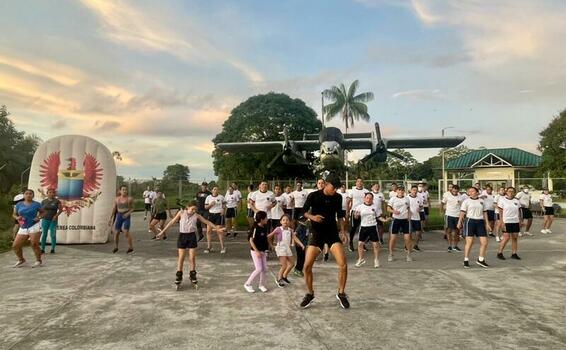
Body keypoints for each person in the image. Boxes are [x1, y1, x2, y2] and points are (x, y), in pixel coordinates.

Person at [300, 173, 349, 309]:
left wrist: (343, 232)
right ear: (326, 184)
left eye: (337, 188)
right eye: (334, 187)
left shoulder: (338, 198)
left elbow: (340, 216)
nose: (335, 191)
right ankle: (310, 294)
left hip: (332, 233)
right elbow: (303, 211)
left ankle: (341, 293)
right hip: (317, 234)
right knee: (307, 266)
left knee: (343, 264)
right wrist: (313, 217)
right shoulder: (314, 196)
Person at [157, 200, 223, 287]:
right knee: (181, 257)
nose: (194, 211)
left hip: (191, 236)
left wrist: (217, 228)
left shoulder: (196, 215)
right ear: (188, 207)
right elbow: (171, 222)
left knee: (192, 258)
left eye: (195, 209)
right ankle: (179, 276)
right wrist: (162, 232)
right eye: (192, 209)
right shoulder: (181, 213)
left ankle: (192, 275)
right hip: (182, 236)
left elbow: (207, 222)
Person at [458, 187, 491, 268]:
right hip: (470, 221)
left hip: (480, 222)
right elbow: (462, 212)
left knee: (484, 242)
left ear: (477, 192)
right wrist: (459, 222)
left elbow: (485, 213)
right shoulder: (466, 201)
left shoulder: (482, 201)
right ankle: (466, 260)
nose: (470, 192)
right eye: (469, 191)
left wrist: (487, 223)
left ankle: (481, 260)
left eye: (472, 191)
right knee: (470, 242)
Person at [354, 193, 389, 268]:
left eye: (370, 198)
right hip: (363, 227)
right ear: (364, 198)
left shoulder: (375, 207)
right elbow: (356, 217)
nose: (368, 199)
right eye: (367, 198)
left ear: (372, 199)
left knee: (375, 245)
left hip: (373, 227)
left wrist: (385, 220)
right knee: (360, 244)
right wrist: (356, 215)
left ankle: (376, 260)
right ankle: (360, 259)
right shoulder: (360, 207)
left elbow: (378, 217)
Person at [271, 215, 305, 287]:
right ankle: (279, 279)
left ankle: (284, 276)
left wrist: (301, 245)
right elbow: (269, 236)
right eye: (283, 220)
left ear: (289, 222)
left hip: (287, 248)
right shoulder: (278, 229)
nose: (285, 221)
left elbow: (295, 238)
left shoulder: (290, 230)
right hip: (280, 248)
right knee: (284, 265)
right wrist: (271, 245)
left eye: (287, 220)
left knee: (292, 264)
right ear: (281, 221)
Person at [12, 189, 43, 267]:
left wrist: (39, 217)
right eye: (27, 193)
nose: (28, 195)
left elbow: (43, 212)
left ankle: (38, 261)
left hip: (34, 225)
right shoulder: (19, 204)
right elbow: (14, 214)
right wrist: (17, 217)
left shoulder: (37, 204)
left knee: (34, 244)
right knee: (15, 246)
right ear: (24, 195)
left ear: (33, 195)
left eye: (30, 194)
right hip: (23, 226)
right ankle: (21, 260)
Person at [244, 211, 270, 293]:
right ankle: (247, 284)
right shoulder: (255, 228)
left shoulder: (265, 226)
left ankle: (261, 285)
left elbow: (266, 238)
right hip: (255, 251)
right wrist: (257, 251)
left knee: (265, 269)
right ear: (261, 219)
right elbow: (251, 240)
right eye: (266, 218)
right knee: (259, 269)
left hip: (263, 250)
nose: (267, 219)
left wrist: (270, 246)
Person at [387, 186, 413, 262]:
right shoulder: (393, 199)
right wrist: (393, 211)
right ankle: (391, 254)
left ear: (404, 191)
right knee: (393, 238)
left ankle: (408, 255)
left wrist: (409, 216)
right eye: (399, 190)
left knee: (407, 238)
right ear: (397, 191)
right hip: (396, 220)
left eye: (402, 190)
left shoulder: (407, 199)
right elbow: (388, 208)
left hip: (405, 221)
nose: (401, 192)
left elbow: (408, 208)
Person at [497, 187, 522, 260]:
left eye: (512, 191)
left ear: (514, 193)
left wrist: (520, 221)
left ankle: (514, 253)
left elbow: (519, 212)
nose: (510, 192)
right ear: (506, 192)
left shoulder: (517, 201)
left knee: (515, 238)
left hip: (515, 221)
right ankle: (500, 252)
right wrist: (501, 221)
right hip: (506, 221)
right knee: (506, 238)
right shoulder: (502, 200)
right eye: (509, 191)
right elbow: (500, 212)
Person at [109, 185, 135, 254]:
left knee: (126, 232)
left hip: (126, 216)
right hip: (119, 216)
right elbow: (114, 209)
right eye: (123, 189)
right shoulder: (117, 199)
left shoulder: (129, 199)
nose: (124, 191)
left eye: (126, 190)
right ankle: (116, 247)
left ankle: (131, 247)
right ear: (120, 191)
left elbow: (132, 208)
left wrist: (128, 213)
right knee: (116, 233)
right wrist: (111, 218)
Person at [347, 178, 369, 252]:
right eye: (358, 181)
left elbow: (369, 201)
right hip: (355, 211)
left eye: (361, 181)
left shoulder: (366, 191)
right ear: (356, 183)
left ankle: (362, 244)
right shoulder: (352, 191)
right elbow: (348, 202)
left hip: (364, 212)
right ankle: (350, 243)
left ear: (363, 183)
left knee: (364, 228)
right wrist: (347, 211)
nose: (359, 183)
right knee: (353, 228)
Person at [40, 188, 63, 254]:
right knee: (44, 234)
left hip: (53, 220)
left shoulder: (57, 201)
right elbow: (41, 210)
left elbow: (61, 210)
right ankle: (42, 249)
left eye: (53, 192)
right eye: (49, 192)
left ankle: (53, 249)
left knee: (53, 235)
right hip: (45, 219)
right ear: (47, 193)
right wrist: (39, 216)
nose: (51, 194)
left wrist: (56, 216)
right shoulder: (43, 201)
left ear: (55, 194)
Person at [204, 186, 226, 254]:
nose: (216, 190)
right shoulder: (208, 197)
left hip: (218, 215)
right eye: (214, 189)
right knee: (208, 231)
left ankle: (222, 247)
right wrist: (211, 204)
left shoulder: (221, 197)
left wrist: (223, 209)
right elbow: (206, 207)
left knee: (219, 231)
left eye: (217, 189)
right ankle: (209, 246)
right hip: (211, 215)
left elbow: (224, 204)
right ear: (212, 190)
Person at [442, 185, 462, 252]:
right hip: (449, 215)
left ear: (458, 190)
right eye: (454, 190)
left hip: (457, 215)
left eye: (456, 190)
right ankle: (450, 246)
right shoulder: (447, 195)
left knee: (456, 232)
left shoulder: (460, 196)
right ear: (452, 190)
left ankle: (455, 246)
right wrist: (441, 211)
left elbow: (462, 206)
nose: (455, 191)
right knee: (449, 231)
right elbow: (442, 203)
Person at [408, 186, 424, 251]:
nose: (415, 191)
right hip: (409, 218)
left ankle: (416, 245)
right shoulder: (407, 198)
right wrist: (408, 212)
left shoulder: (419, 198)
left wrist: (419, 208)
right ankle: (408, 245)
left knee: (418, 233)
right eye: (413, 190)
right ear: (411, 190)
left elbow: (422, 206)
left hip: (417, 218)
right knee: (409, 233)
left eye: (416, 190)